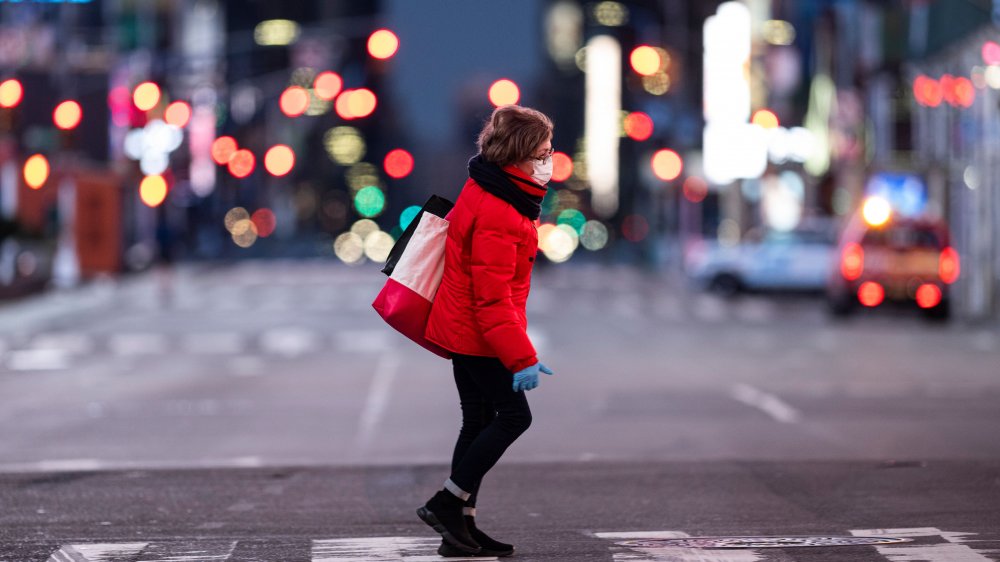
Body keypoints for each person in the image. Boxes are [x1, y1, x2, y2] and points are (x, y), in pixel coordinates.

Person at [417, 105, 556, 558]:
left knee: (476, 422)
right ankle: (447, 501)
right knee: (516, 417)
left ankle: (460, 530)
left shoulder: (490, 188)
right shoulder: (500, 209)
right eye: (542, 152)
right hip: (479, 334)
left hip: (467, 329)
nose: (549, 160)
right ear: (519, 154)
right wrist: (522, 357)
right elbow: (491, 298)